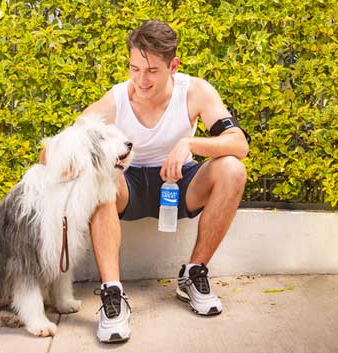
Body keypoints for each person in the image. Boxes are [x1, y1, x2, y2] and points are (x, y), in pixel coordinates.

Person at [78, 20, 250, 343]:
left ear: (173, 66)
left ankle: (194, 273)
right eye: (134, 68)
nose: (141, 80)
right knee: (97, 179)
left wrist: (190, 144)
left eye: (152, 71)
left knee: (232, 170)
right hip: (128, 186)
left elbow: (239, 144)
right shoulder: (117, 98)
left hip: (179, 182)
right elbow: (75, 134)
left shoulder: (194, 91)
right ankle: (112, 295)